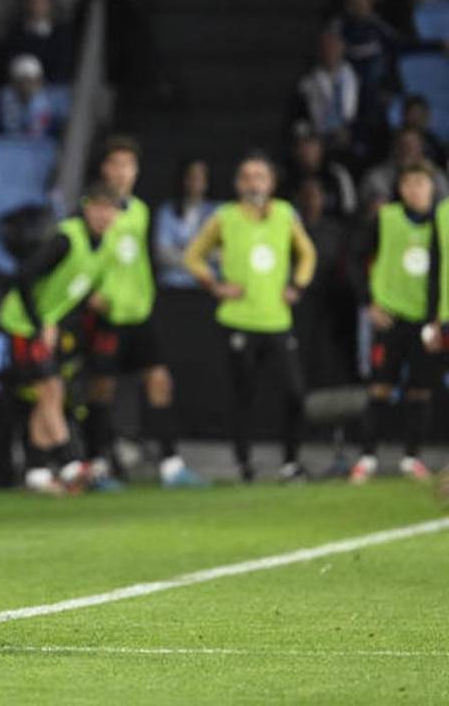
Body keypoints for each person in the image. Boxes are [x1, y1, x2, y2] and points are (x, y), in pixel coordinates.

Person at [184, 153, 317, 482]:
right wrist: (214, 285)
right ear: (237, 184)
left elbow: (307, 253)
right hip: (238, 319)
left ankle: (291, 462)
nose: (253, 183)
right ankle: (243, 463)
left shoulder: (284, 214)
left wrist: (298, 285)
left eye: (260, 176)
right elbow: (193, 256)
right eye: (246, 177)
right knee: (243, 395)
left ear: (271, 183)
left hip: (277, 319)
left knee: (295, 392)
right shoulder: (225, 217)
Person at [86, 137, 206, 489]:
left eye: (129, 165)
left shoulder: (140, 210)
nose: (122, 172)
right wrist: (91, 292)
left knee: (159, 382)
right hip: (108, 316)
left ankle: (171, 466)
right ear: (105, 169)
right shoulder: (92, 210)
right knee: (101, 390)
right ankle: (96, 466)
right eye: (116, 164)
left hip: (140, 313)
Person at [0, 182, 121, 495]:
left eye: (110, 208)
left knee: (49, 393)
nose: (104, 215)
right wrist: (40, 324)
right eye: (98, 207)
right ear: (87, 208)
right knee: (50, 389)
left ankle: (37, 471)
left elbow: (71, 292)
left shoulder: (104, 247)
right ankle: (70, 462)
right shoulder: (67, 239)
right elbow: (24, 276)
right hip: (23, 323)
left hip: (47, 325)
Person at [350, 162, 438, 483]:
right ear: (400, 188)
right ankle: (367, 458)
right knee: (381, 387)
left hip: (427, 321)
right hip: (390, 318)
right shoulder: (384, 219)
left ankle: (411, 459)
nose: (415, 190)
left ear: (432, 187)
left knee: (421, 391)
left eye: (421, 183)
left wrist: (439, 318)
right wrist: (368, 303)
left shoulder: (442, 223)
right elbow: (354, 259)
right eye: (409, 184)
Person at [154, 158, 217, 290]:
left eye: (201, 178)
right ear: (184, 180)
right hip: (173, 285)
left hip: (207, 286)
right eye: (192, 177)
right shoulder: (167, 210)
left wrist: (182, 251)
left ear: (207, 182)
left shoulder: (217, 211)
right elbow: (163, 255)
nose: (196, 183)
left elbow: (222, 254)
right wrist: (198, 255)